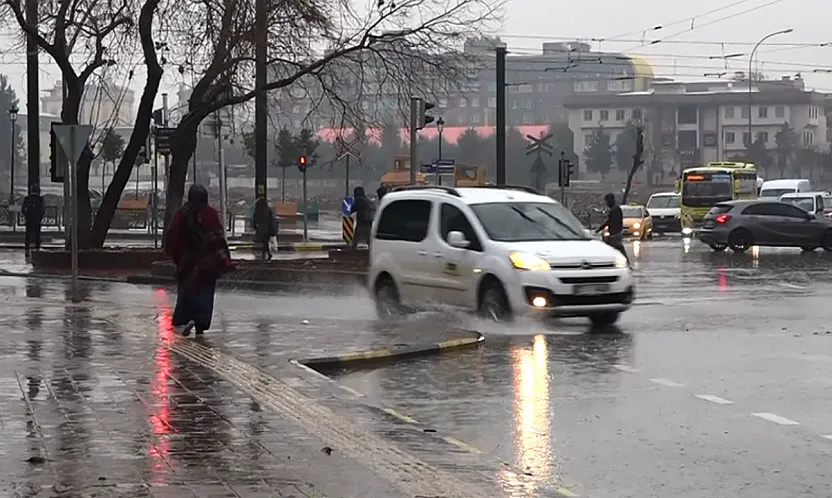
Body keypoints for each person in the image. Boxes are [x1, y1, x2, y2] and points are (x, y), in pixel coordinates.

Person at [166, 184, 234, 336]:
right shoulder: (210, 214)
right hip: (207, 264)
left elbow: (173, 237)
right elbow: (218, 239)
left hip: (187, 263)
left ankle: (185, 319)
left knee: (186, 292)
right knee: (204, 294)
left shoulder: (182, 214)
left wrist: (176, 257)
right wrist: (224, 261)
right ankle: (200, 324)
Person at [596, 192, 630, 266]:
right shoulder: (615, 209)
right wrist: (600, 228)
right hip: (615, 234)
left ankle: (606, 264)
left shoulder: (614, 210)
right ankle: (626, 263)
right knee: (618, 250)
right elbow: (610, 221)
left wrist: (610, 233)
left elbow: (612, 222)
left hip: (615, 234)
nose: (606, 203)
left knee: (610, 249)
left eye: (606, 201)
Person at [22, 194, 44, 258]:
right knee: (37, 234)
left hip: (29, 219)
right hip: (37, 219)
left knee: (28, 235)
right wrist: (40, 217)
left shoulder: (27, 198)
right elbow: (42, 209)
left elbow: (23, 209)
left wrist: (26, 215)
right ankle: (37, 249)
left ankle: (27, 249)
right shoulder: (40, 199)